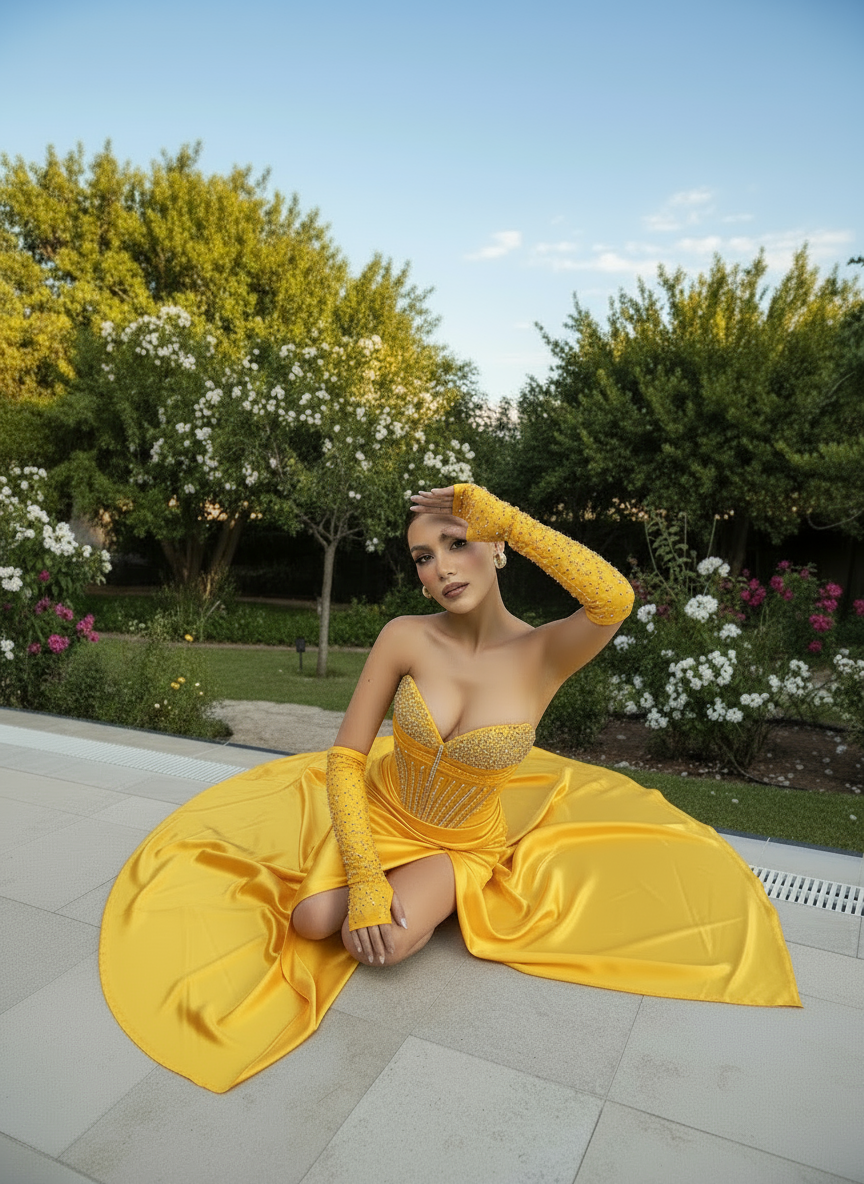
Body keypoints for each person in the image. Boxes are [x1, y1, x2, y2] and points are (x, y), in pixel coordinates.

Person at [99, 484, 800, 1095]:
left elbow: (613, 597)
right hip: (379, 806)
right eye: (424, 559)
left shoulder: (544, 653)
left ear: (495, 550)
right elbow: (344, 758)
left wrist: (512, 521)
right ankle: (397, 885)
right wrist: (367, 872)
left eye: (458, 544)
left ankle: (447, 894)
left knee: (381, 946)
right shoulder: (406, 635)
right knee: (312, 922)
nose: (440, 569)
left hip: (459, 839)